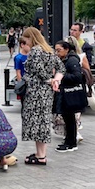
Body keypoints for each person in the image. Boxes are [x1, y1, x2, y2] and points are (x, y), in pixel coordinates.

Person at [20, 27, 64, 165]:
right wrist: (55, 80)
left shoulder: (35, 51)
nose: (25, 42)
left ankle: (41, 155)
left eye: (26, 39)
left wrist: (50, 80)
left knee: (35, 123)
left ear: (31, 38)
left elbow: (39, 71)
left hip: (35, 92)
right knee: (43, 123)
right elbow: (61, 68)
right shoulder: (49, 51)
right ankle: (40, 154)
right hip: (46, 93)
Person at [53, 40, 86, 152]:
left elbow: (77, 76)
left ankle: (71, 143)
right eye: (56, 50)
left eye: (59, 50)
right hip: (66, 92)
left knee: (70, 118)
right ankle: (69, 141)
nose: (57, 53)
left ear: (66, 49)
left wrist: (61, 75)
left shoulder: (71, 60)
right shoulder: (65, 59)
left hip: (70, 92)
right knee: (68, 118)